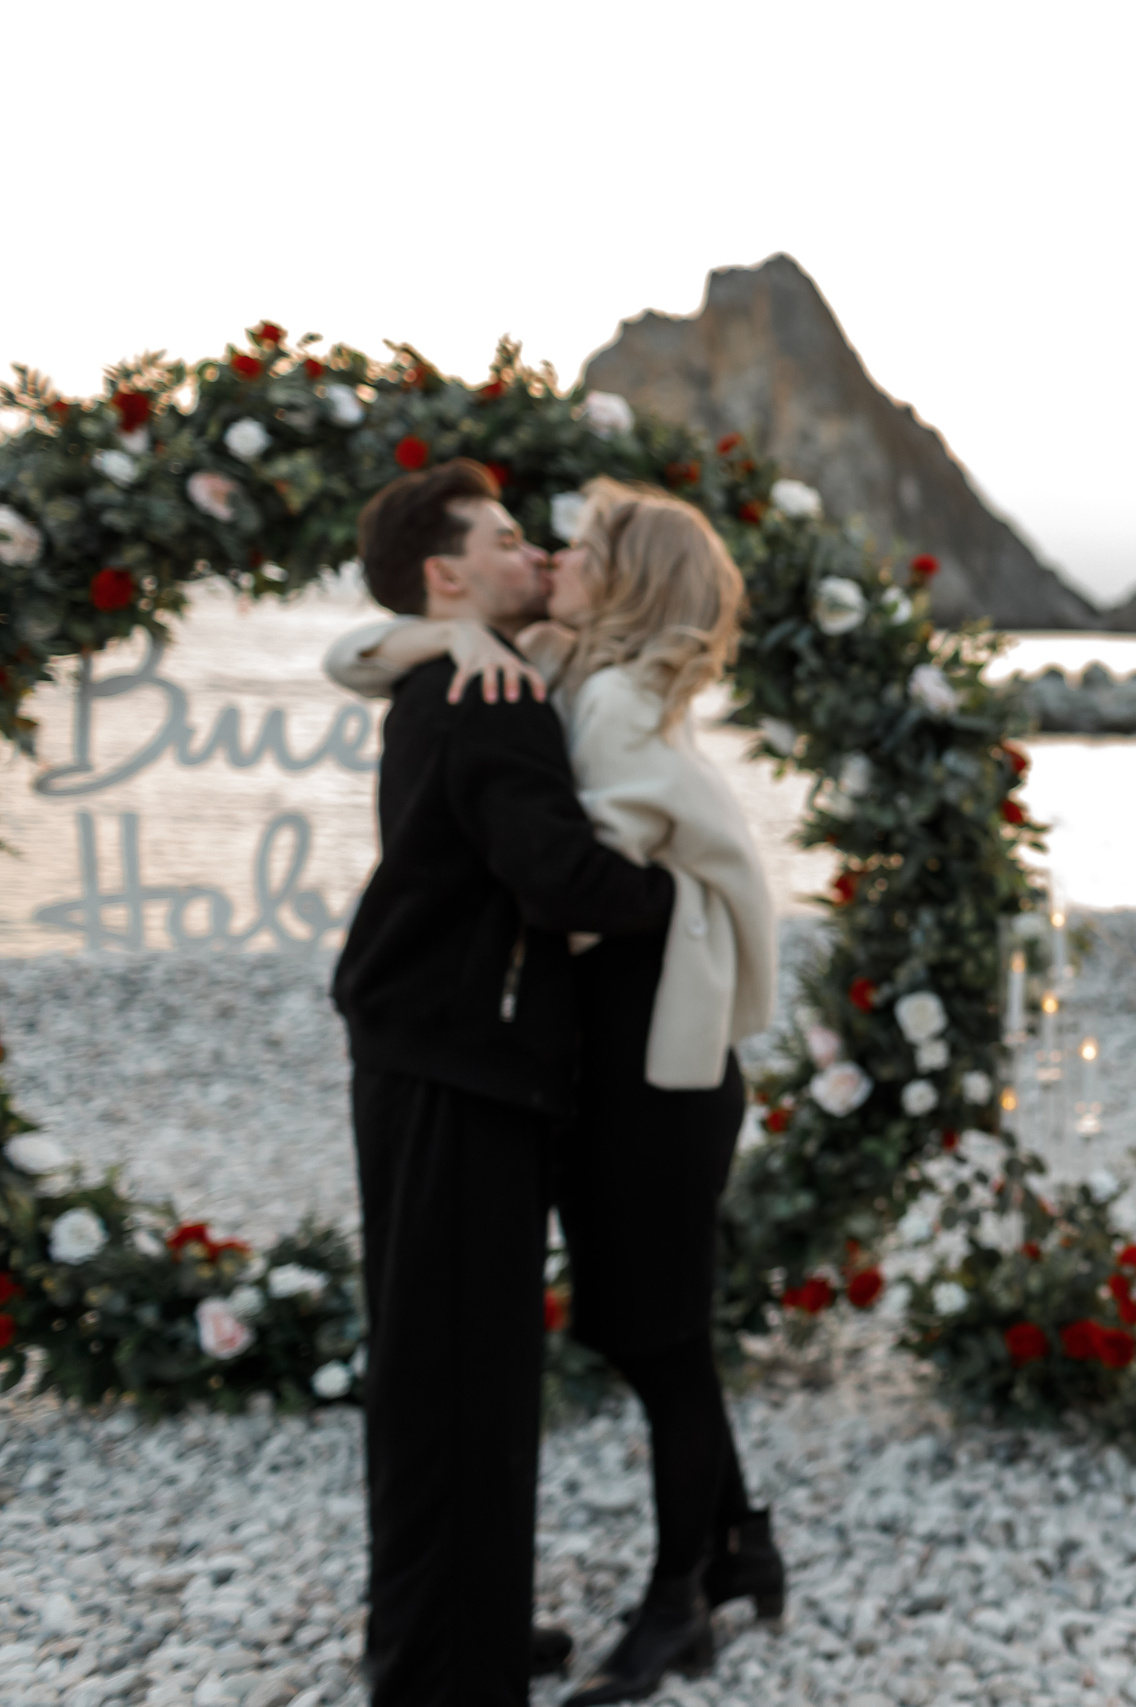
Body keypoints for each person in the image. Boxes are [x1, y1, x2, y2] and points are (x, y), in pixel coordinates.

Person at [328, 478, 783, 1706]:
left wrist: (673, 900)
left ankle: (682, 1590)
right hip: (542, 1064)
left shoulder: (586, 694)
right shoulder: (528, 678)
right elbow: (567, 879)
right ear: (449, 577)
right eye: (519, 541)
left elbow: (592, 878)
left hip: (641, 1072)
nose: (546, 557)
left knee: (638, 1338)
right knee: (583, 1347)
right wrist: (443, 637)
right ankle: (702, 1559)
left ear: (622, 581)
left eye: (568, 546)